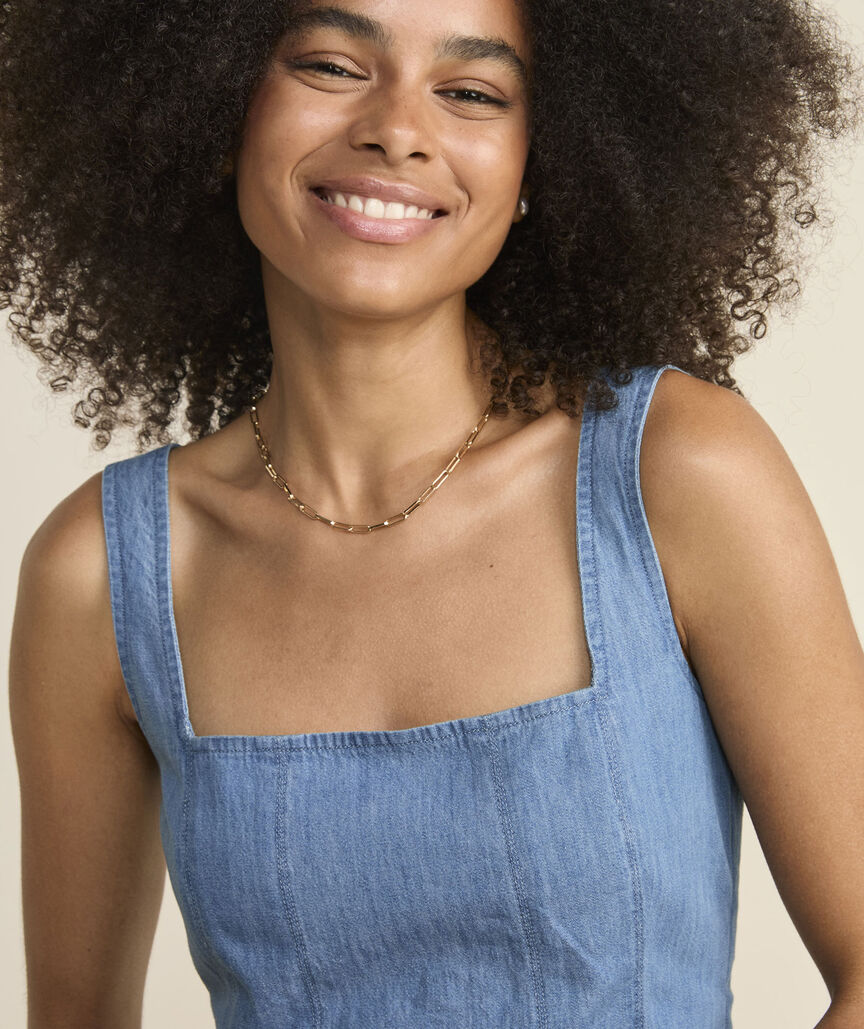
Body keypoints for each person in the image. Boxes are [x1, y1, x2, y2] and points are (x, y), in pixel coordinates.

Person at [4, 0, 864, 1024]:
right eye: (330, 64)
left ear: (544, 158)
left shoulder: (676, 474)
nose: (397, 128)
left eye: (470, 92)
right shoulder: (101, 575)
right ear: (215, 98)